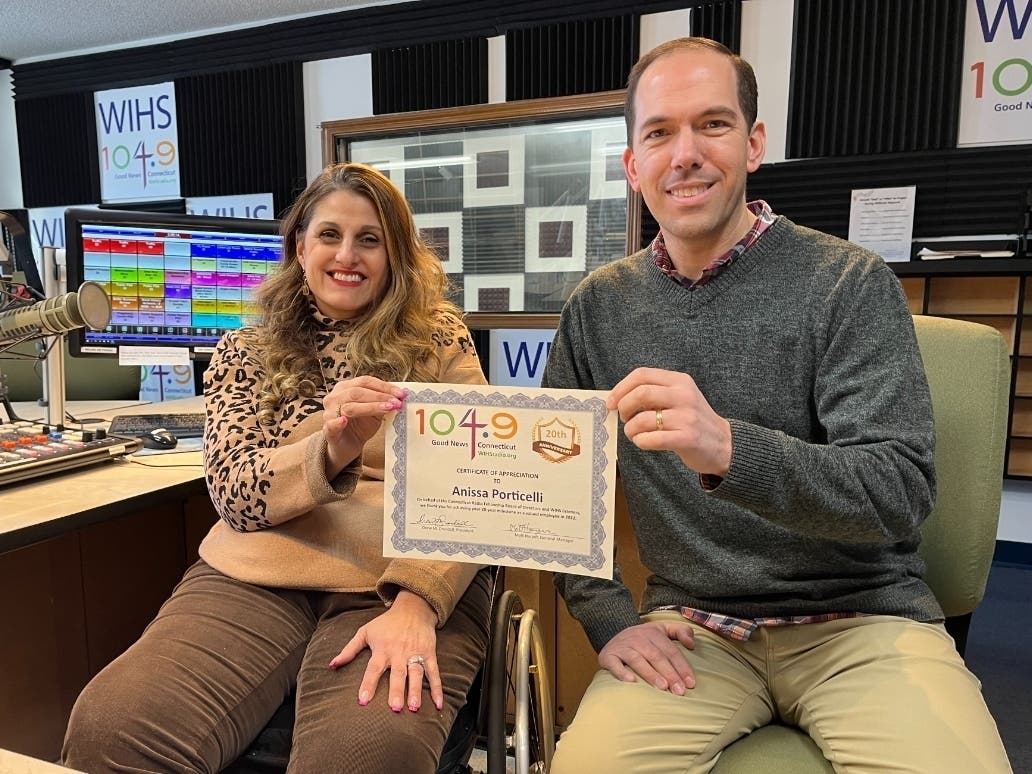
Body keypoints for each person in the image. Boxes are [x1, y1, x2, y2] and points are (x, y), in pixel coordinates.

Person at [541, 37, 1012, 773]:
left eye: (714, 125)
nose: (685, 153)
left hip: (862, 622)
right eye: (659, 133)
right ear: (633, 165)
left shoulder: (847, 284)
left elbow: (898, 490)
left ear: (754, 144)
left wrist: (729, 448)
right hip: (694, 630)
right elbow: (559, 494)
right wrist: (608, 620)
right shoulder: (597, 309)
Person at [62, 162, 491, 774]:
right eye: (329, 235)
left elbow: (478, 487)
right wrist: (333, 444)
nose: (348, 255)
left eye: (370, 239)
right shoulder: (247, 351)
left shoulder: (439, 340)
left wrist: (418, 603)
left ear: (396, 255)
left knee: (367, 756)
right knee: (114, 729)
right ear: (299, 245)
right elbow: (237, 493)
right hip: (257, 574)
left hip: (398, 577)